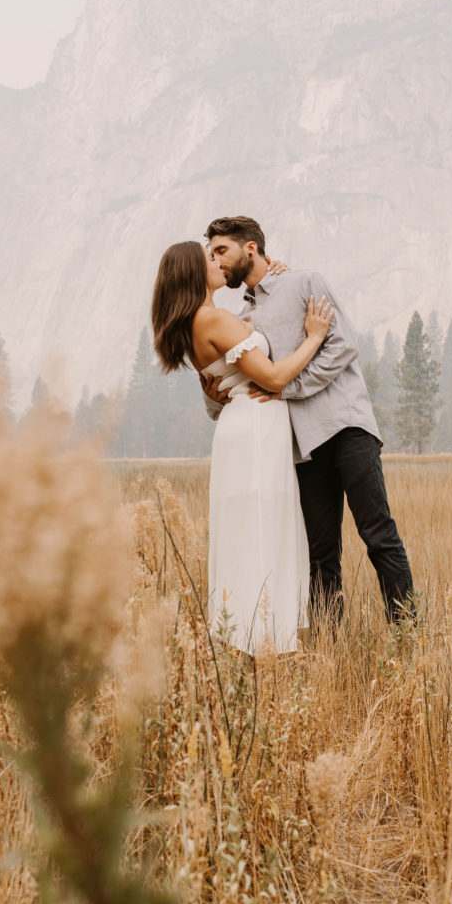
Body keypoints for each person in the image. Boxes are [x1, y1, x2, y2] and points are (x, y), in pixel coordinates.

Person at [201, 216, 414, 627]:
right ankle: (327, 652)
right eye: (211, 255)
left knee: (378, 535)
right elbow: (241, 382)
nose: (216, 261)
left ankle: (409, 635)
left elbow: (343, 346)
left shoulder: (303, 282)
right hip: (300, 447)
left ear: (250, 247)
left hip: (345, 427)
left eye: (221, 251)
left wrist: (290, 389)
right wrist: (216, 398)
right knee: (320, 554)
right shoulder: (241, 317)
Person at [151, 240, 333, 654]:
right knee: (263, 529)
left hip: (240, 426)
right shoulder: (212, 319)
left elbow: (245, 343)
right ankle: (265, 640)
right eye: (209, 259)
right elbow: (272, 378)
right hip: (255, 427)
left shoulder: (200, 322)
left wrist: (271, 279)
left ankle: (248, 636)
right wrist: (314, 337)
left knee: (248, 532)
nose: (218, 262)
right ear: (193, 274)